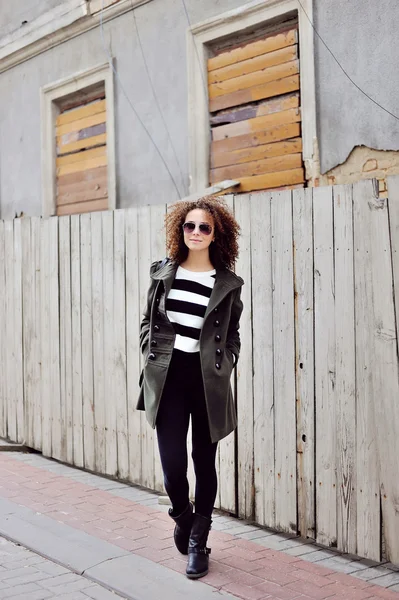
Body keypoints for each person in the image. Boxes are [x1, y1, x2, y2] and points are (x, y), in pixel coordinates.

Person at [137, 196, 243, 579]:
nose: (195, 233)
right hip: (167, 375)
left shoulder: (227, 284)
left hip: (207, 379)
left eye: (204, 227)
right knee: (172, 468)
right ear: (180, 230)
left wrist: (225, 363)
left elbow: (231, 336)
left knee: (204, 460)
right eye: (189, 226)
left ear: (216, 235)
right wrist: (149, 348)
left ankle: (199, 541)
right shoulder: (164, 273)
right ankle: (182, 516)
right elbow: (147, 321)